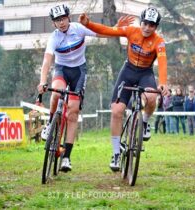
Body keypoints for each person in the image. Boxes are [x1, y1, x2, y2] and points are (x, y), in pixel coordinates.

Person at [37, 4, 134, 172]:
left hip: (79, 72)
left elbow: (102, 32)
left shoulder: (79, 28)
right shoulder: (54, 38)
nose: (61, 23)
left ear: (69, 17)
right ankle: (50, 123)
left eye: (63, 19)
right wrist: (42, 80)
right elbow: (47, 61)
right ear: (53, 23)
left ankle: (66, 157)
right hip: (61, 70)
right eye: (57, 21)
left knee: (73, 112)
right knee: (56, 94)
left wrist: (116, 28)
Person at [79, 7, 169, 171]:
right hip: (128, 71)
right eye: (145, 24)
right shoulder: (131, 31)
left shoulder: (159, 41)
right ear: (141, 22)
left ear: (156, 27)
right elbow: (108, 30)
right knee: (117, 111)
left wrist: (162, 82)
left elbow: (162, 63)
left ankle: (145, 121)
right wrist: (88, 24)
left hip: (145, 73)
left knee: (151, 97)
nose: (147, 28)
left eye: (152, 25)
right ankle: (115, 153)